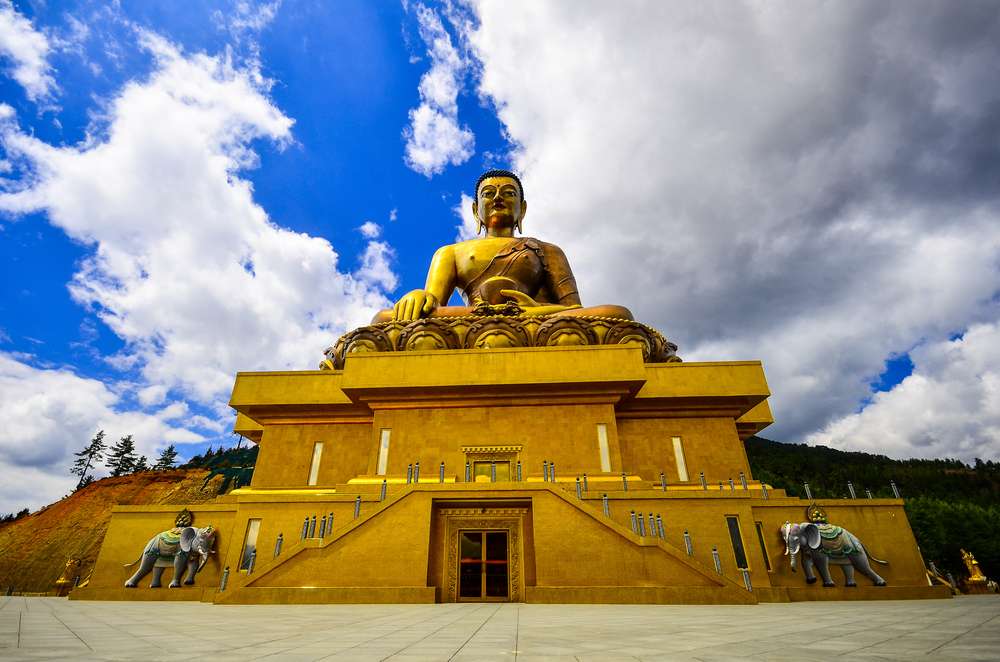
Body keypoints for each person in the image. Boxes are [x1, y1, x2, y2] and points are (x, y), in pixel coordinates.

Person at [374, 169, 632, 323]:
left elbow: (575, 311)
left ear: (523, 209)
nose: (498, 197)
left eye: (508, 193)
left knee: (615, 314)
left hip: (538, 320)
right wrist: (420, 298)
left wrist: (535, 312)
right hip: (474, 318)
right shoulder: (450, 252)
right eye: (488, 194)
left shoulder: (548, 250)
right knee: (384, 320)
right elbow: (433, 305)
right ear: (476, 211)